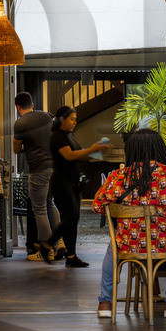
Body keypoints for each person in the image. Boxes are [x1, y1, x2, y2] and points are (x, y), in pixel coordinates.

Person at [92, 128, 166, 319]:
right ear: (161, 149)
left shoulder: (117, 177)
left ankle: (105, 301)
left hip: (128, 244)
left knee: (111, 250)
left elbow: (97, 206)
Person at [48, 106, 103, 268]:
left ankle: (71, 256)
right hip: (62, 182)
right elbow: (69, 155)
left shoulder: (68, 135)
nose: (74, 122)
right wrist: (92, 149)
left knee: (73, 219)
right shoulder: (57, 136)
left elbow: (79, 153)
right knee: (69, 219)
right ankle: (48, 244)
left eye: (75, 119)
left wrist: (96, 150)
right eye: (71, 119)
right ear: (62, 119)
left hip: (72, 182)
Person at [12, 92, 60, 262]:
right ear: (32, 104)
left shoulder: (20, 123)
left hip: (38, 169)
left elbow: (16, 150)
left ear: (18, 107)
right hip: (54, 166)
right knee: (49, 203)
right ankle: (60, 243)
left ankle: (47, 251)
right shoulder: (47, 116)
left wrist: (27, 146)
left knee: (39, 208)